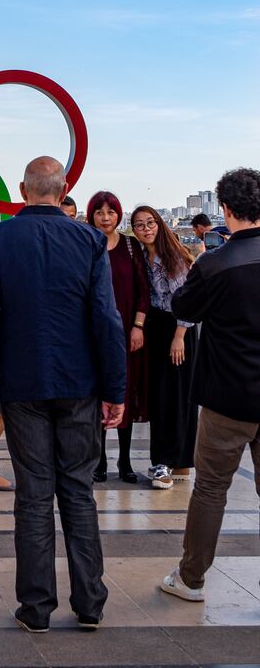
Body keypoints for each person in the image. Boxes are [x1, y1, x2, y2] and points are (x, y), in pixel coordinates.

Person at [0, 156, 126, 633]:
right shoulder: (89, 240)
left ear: (22, 188)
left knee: (34, 497)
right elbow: (106, 318)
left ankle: (36, 607)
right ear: (64, 189)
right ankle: (91, 603)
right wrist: (115, 387)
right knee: (79, 492)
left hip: (21, 385)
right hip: (80, 383)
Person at [160, 167, 260, 602]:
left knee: (210, 489)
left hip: (227, 396)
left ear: (225, 209)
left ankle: (191, 578)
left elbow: (183, 305)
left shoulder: (217, 263)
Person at [131, 205, 198, 490]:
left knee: (179, 395)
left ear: (160, 224)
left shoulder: (176, 256)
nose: (146, 229)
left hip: (178, 328)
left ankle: (172, 460)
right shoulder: (142, 257)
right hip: (156, 326)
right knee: (160, 394)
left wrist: (179, 335)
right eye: (139, 225)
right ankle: (169, 458)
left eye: (150, 223)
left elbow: (187, 301)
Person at [87, 192, 149, 483]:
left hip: (126, 333)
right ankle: (98, 461)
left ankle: (124, 462)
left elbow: (143, 290)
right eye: (99, 212)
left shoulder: (131, 246)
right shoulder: (85, 243)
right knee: (98, 394)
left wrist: (138, 326)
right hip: (94, 334)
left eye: (110, 212)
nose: (105, 218)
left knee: (126, 392)